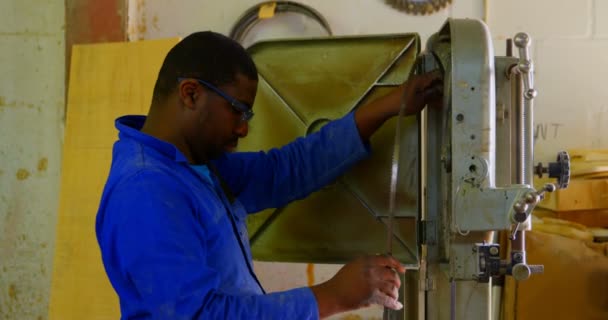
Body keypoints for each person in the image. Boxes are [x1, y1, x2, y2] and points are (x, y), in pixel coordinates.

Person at [96, 31, 441, 319]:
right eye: (238, 111)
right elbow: (202, 316)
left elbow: (287, 171)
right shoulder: (147, 192)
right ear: (191, 94)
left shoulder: (194, 167)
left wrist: (388, 106)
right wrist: (332, 295)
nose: (244, 129)